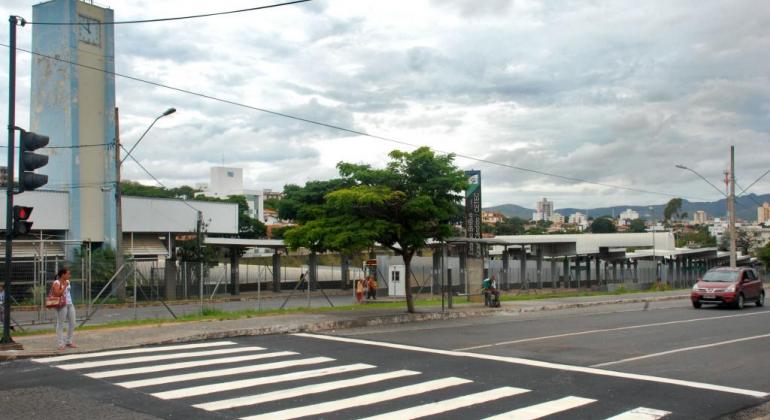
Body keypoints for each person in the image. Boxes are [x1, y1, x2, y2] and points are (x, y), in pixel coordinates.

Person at [51, 267, 76, 350]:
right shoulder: (56, 283)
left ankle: (69, 341)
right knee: (61, 323)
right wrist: (64, 286)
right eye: (68, 274)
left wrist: (66, 284)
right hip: (61, 305)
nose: (69, 275)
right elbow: (57, 294)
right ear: (63, 274)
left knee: (72, 323)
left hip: (70, 303)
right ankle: (61, 344)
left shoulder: (68, 281)